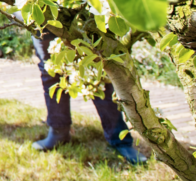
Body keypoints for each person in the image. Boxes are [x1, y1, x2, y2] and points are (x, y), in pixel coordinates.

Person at [32, 31, 147, 164]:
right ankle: (58, 130)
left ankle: (120, 139)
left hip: (77, 17)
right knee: (51, 71)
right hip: (41, 21)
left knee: (96, 68)